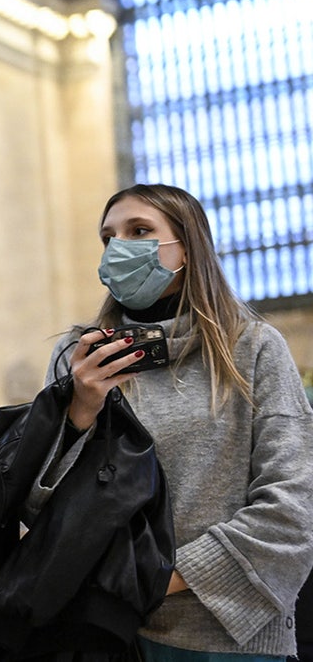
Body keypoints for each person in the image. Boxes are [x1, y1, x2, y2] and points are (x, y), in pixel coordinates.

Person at [45, 183, 313, 660]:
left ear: (187, 247)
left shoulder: (252, 348)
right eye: (108, 238)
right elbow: (40, 502)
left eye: (140, 230)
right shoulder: (79, 357)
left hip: (228, 636)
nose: (119, 248)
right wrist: (79, 410)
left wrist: (158, 579)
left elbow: (294, 505)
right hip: (96, 632)